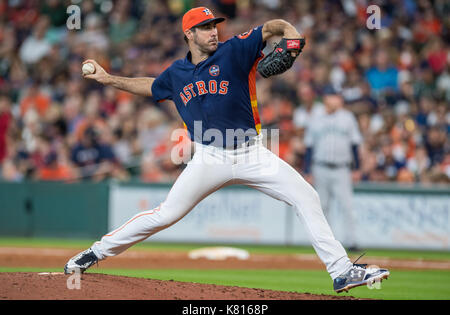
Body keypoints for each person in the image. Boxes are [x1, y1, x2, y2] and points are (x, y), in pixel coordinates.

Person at [64, 7, 389, 293]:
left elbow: (273, 26)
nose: (213, 31)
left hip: (252, 153)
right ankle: (95, 252)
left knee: (307, 197)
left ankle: (342, 272)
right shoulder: (177, 73)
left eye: (214, 25)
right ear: (189, 34)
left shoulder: (235, 50)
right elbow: (150, 86)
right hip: (209, 157)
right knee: (165, 214)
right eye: (205, 27)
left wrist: (292, 38)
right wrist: (109, 80)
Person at [304, 85, 362, 252]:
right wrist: (307, 170)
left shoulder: (348, 117)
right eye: (333, 96)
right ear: (326, 99)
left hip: (342, 169)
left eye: (338, 96)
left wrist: (356, 168)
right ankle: (325, 244)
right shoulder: (316, 117)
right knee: (322, 207)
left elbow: (355, 144)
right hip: (320, 167)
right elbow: (309, 146)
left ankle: (351, 241)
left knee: (347, 206)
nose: (337, 99)